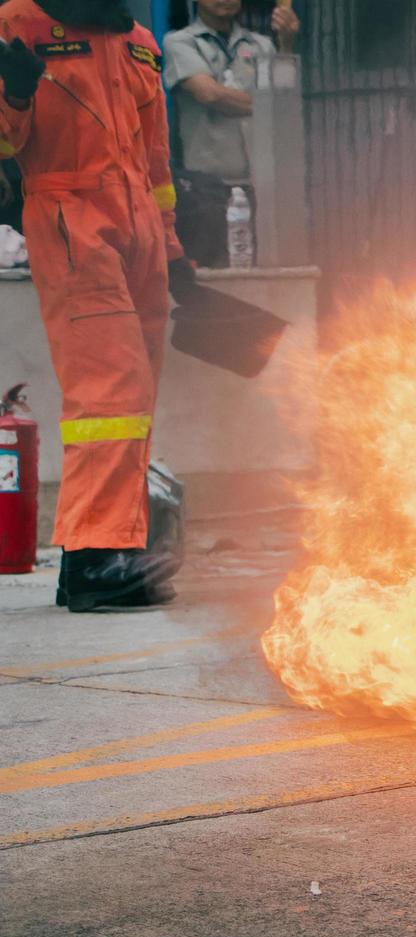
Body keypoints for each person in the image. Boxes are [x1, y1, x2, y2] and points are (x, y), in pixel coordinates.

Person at [0, 0, 189, 610]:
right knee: (109, 390)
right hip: (70, 216)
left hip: (140, 232)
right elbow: (7, 139)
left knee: (134, 397)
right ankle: (90, 556)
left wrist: (173, 245)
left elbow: (154, 160)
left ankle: (117, 544)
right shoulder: (18, 23)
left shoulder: (137, 39)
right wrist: (15, 93)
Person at [162, 0, 300, 186]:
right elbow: (210, 95)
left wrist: (286, 45)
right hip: (206, 184)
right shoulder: (180, 42)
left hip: (261, 181)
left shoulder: (261, 44)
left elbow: (286, 94)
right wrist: (271, 104)